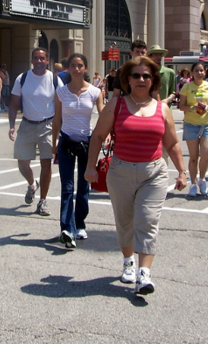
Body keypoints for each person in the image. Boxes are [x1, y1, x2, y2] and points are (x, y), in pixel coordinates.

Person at [86, 57, 187, 295]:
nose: (141, 80)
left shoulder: (162, 108)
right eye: (136, 76)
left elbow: (172, 143)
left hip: (153, 172)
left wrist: (182, 171)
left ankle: (145, 273)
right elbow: (98, 136)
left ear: (154, 81)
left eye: (146, 76)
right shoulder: (117, 105)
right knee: (125, 222)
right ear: (127, 79)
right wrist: (91, 167)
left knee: (147, 220)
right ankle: (128, 261)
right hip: (120, 171)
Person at [51, 53, 104, 248]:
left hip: (87, 143)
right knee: (66, 187)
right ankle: (67, 228)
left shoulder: (95, 92)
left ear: (86, 68)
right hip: (66, 141)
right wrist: (54, 142)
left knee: (83, 187)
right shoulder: (61, 92)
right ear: (69, 68)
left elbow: (101, 115)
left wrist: (104, 135)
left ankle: (80, 224)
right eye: (73, 65)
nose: (76, 69)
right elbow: (56, 119)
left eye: (80, 65)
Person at [9, 48, 62, 216]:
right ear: (32, 60)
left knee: (46, 164)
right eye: (36, 58)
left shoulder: (54, 79)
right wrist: (11, 125)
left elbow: (61, 106)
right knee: (22, 163)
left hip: (47, 126)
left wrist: (60, 129)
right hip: (27, 125)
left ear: (47, 60)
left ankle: (42, 201)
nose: (39, 61)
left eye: (42, 58)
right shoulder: (22, 78)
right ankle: (32, 184)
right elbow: (13, 103)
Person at [179, 62, 208, 197]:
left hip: (207, 124)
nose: (199, 73)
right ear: (192, 73)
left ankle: (202, 179)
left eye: (201, 70)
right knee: (194, 157)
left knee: (206, 154)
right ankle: (193, 183)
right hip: (191, 124)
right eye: (197, 70)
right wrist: (192, 108)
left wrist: (207, 108)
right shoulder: (187, 87)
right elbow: (181, 106)